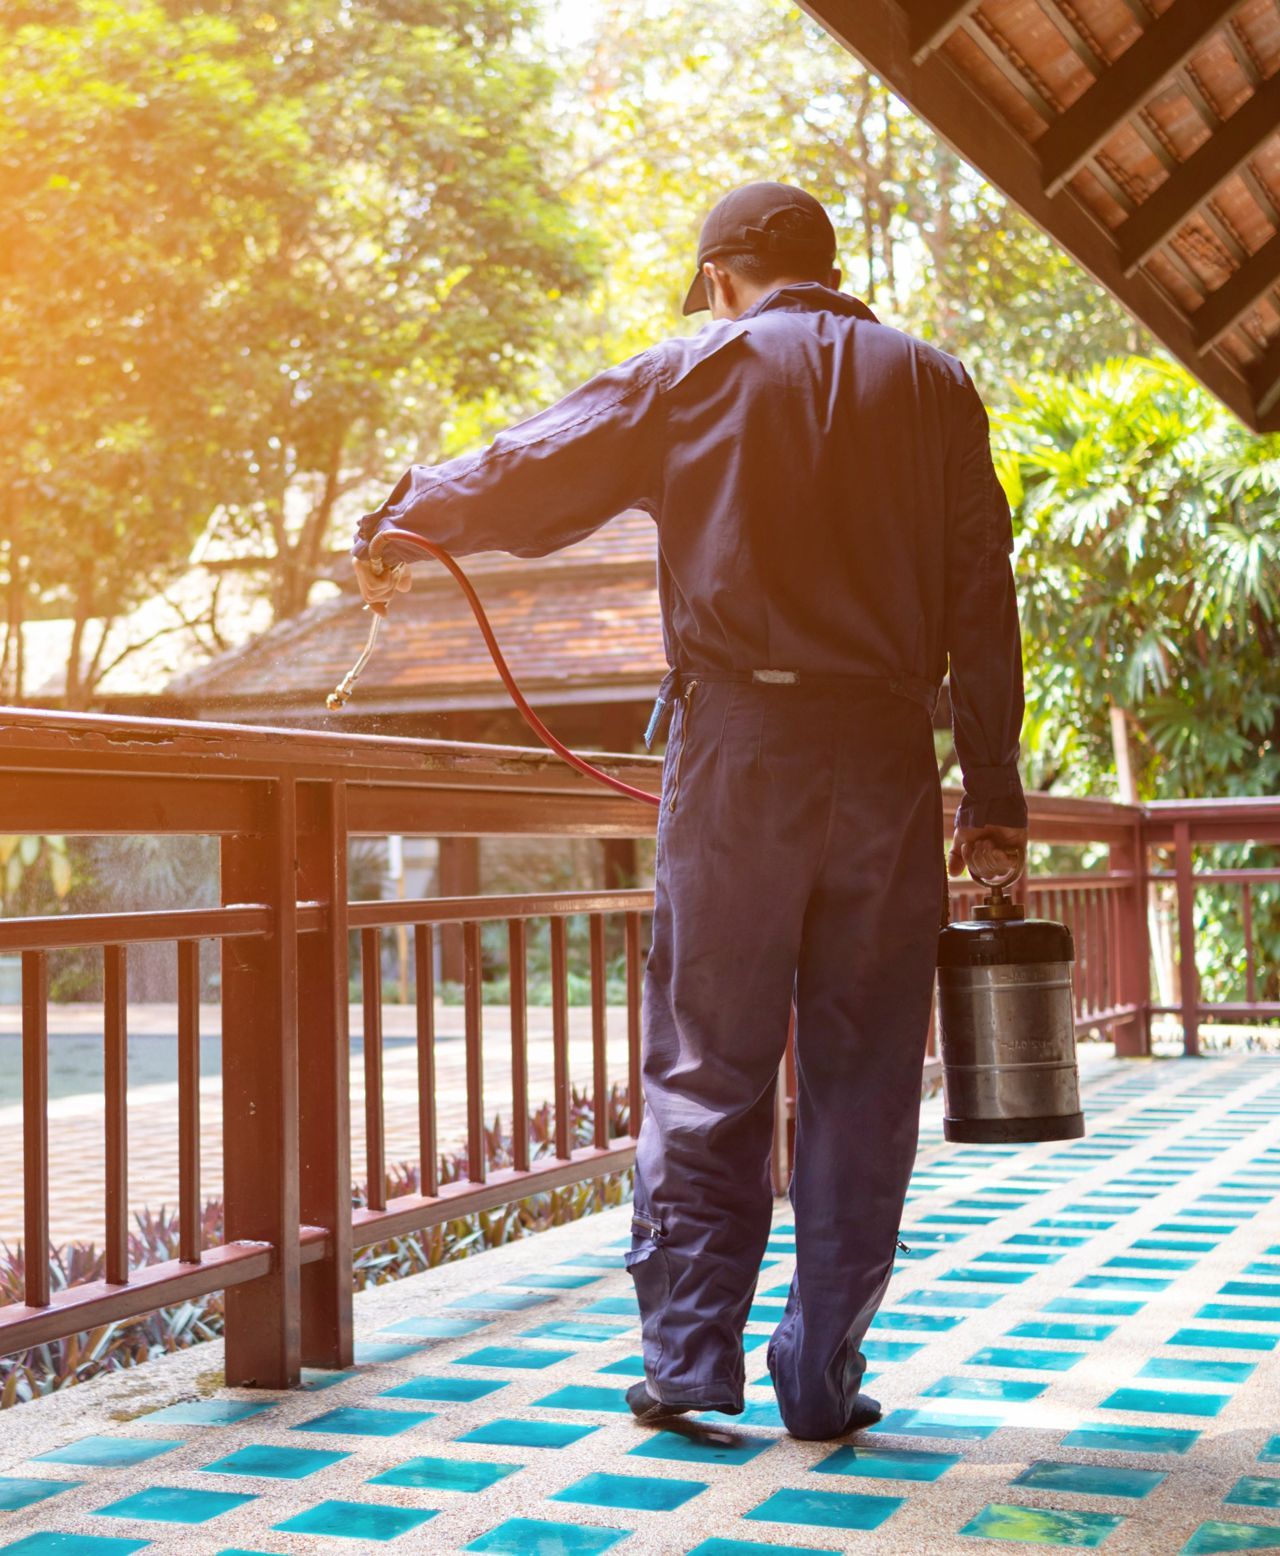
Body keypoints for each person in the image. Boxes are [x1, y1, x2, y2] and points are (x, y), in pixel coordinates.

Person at [352, 181, 1028, 1440]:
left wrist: (405, 513)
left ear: (722, 275)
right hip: (887, 758)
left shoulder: (693, 371)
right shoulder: (935, 387)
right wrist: (991, 796)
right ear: (823, 269)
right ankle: (820, 1371)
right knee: (865, 1075)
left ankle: (687, 1360)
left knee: (708, 1060)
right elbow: (982, 602)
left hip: (740, 753)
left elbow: (532, 463)